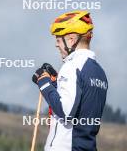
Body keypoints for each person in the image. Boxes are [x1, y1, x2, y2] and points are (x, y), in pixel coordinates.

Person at [32, 10, 108, 151]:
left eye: (59, 40)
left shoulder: (72, 66)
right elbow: (80, 107)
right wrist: (55, 84)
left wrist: (44, 83)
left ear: (72, 40)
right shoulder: (99, 71)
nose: (56, 45)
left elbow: (65, 111)